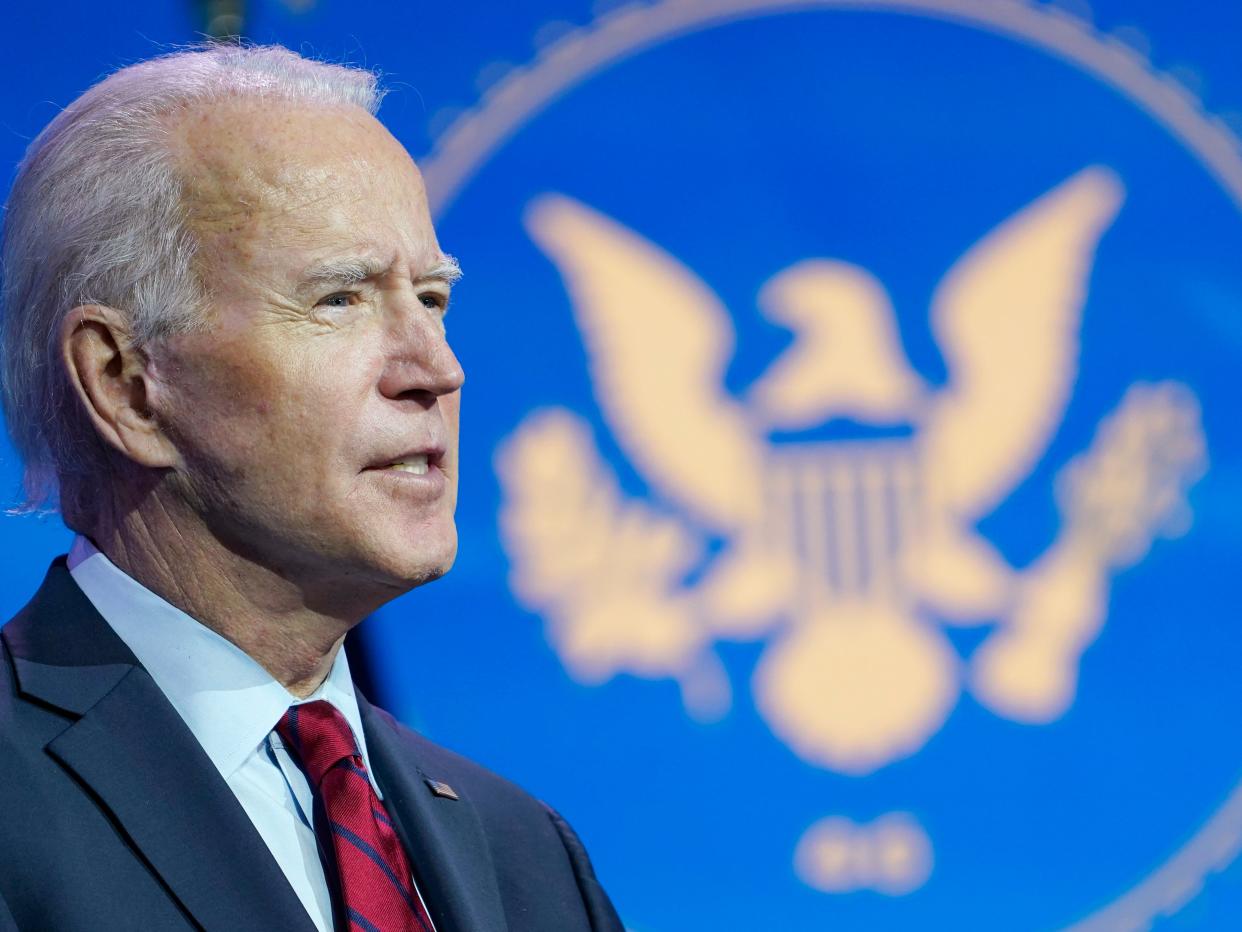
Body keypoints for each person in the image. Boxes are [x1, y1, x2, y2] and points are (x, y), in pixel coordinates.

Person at [0, 44, 623, 932]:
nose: (436, 370)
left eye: (434, 298)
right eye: (341, 299)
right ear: (126, 383)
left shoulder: (522, 853)